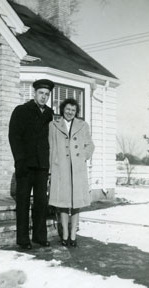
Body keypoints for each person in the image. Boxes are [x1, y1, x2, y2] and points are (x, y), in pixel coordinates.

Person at [9, 79, 54, 250]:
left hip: (42, 165)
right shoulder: (21, 111)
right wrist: (19, 160)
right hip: (25, 165)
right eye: (41, 93)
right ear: (34, 93)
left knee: (41, 202)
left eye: (47, 94)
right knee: (23, 202)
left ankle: (39, 236)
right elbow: (14, 136)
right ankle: (23, 239)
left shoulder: (50, 114)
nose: (44, 97)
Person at [48, 98, 95, 247]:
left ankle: (73, 235)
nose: (70, 112)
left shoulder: (83, 125)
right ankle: (65, 235)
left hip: (77, 170)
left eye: (73, 110)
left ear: (76, 112)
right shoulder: (53, 125)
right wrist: (52, 166)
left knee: (76, 204)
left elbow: (90, 145)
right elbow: (50, 147)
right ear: (63, 109)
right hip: (60, 169)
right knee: (62, 203)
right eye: (68, 109)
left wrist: (83, 158)